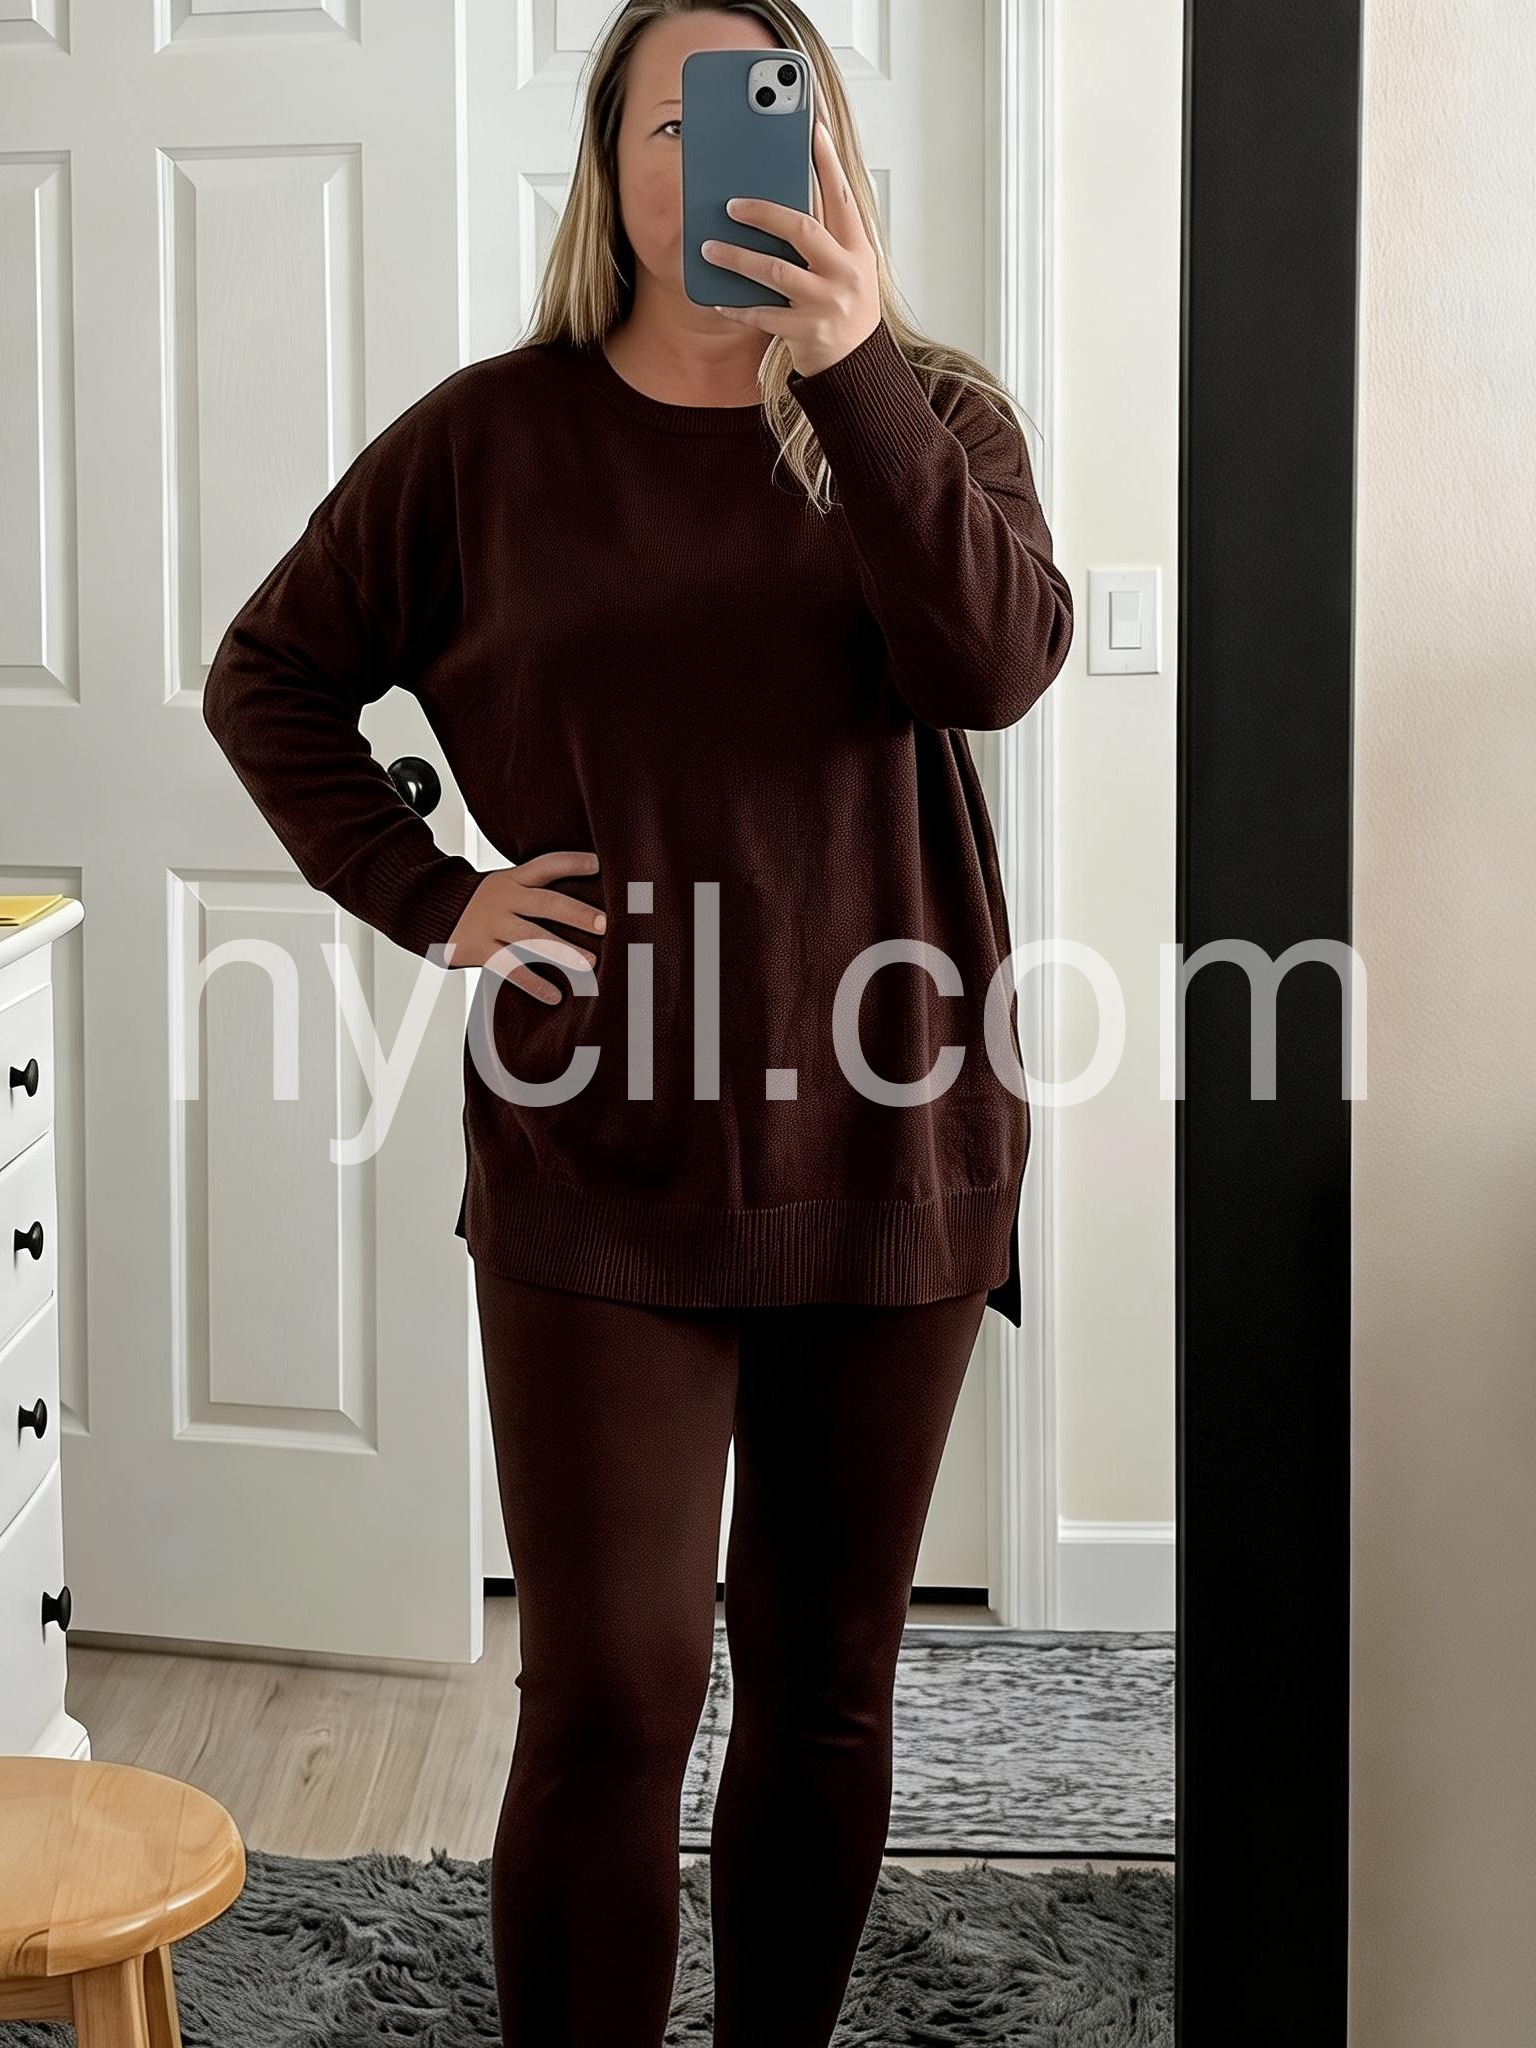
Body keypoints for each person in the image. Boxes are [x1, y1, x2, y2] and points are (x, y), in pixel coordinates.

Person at [201, 3, 1073, 2040]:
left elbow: (993, 665)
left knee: (825, 1677)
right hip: (599, 1146)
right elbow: (272, 676)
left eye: (757, 113)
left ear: (827, 151)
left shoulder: (933, 411)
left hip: (892, 1133)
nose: (711, 157)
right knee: (610, 1691)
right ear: (608, 164)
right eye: (667, 121)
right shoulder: (487, 444)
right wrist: (436, 893)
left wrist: (846, 368)